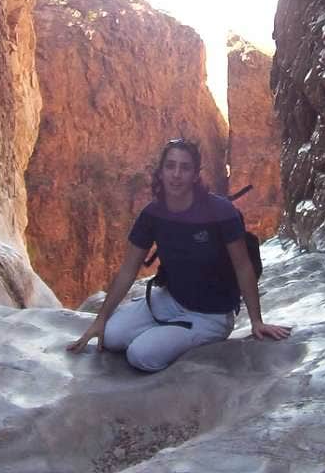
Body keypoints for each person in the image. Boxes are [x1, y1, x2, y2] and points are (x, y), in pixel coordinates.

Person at [67, 138, 291, 372]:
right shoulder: (153, 214)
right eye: (170, 166)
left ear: (195, 175)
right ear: (161, 172)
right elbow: (128, 270)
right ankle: (165, 330)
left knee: (141, 355)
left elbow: (243, 267)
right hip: (170, 300)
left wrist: (256, 321)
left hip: (210, 315)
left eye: (185, 168)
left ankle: (181, 335)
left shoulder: (221, 212)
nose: (176, 174)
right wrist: (100, 319)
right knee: (111, 337)